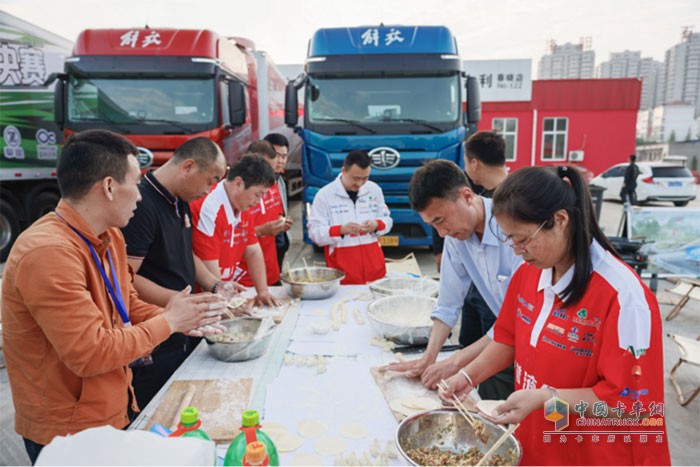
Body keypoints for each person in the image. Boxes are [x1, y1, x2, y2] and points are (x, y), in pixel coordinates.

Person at [1, 130, 224, 464]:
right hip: (68, 433)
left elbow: (127, 303)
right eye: (134, 184)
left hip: (113, 409)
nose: (139, 196)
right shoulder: (48, 252)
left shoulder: (109, 239)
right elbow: (89, 352)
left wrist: (181, 319)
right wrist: (168, 322)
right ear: (107, 187)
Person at [440, 166, 670, 466]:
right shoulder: (529, 274)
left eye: (522, 239)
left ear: (560, 220)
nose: (518, 251)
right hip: (542, 444)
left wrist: (548, 398)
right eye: (510, 240)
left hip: (598, 453)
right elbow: (509, 337)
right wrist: (470, 375)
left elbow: (630, 405)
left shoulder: (624, 298)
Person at [387, 160, 520, 401]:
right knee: (488, 404)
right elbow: (448, 304)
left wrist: (454, 362)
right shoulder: (456, 239)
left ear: (467, 196)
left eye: (440, 220)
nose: (441, 233)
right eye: (432, 225)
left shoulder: (512, 230)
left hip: (530, 339)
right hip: (500, 338)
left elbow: (519, 320)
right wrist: (429, 357)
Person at [120, 137, 231, 409]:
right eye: (210, 180)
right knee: (159, 411)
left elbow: (184, 252)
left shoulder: (180, 199)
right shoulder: (142, 205)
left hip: (183, 327)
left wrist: (214, 285)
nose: (210, 189)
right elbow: (126, 278)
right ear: (188, 167)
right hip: (156, 338)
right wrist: (179, 303)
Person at [433, 130, 509, 349]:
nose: (442, 232)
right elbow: (448, 302)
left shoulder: (513, 207)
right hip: (485, 300)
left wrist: (463, 367)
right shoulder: (474, 198)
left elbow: (511, 325)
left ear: (474, 162)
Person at [190, 154, 279, 307]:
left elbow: (252, 251)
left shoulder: (241, 203)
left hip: (223, 292)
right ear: (238, 183)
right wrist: (227, 305)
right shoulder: (209, 208)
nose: (258, 202)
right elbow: (209, 272)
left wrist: (263, 291)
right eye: (257, 194)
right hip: (202, 300)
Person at [308, 150, 393, 285]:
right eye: (356, 178)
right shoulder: (324, 195)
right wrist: (341, 230)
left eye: (365, 178)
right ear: (343, 171)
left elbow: (388, 221)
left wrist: (376, 225)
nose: (359, 183)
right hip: (342, 276)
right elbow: (314, 233)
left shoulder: (374, 190)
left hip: (376, 273)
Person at [237, 140, 292, 286]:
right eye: (267, 168)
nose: (271, 175)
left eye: (273, 170)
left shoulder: (272, 184)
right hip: (244, 277)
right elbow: (229, 236)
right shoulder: (238, 193)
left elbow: (277, 213)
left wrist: (282, 222)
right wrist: (261, 231)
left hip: (271, 271)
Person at [263, 133, 292, 271]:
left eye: (284, 156)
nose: (280, 161)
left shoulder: (280, 180)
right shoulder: (254, 184)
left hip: (279, 241)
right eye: (276, 155)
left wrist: (285, 221)